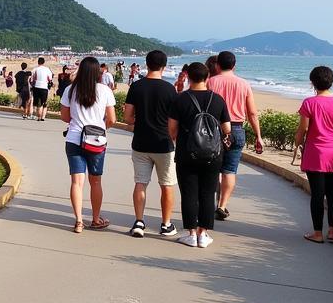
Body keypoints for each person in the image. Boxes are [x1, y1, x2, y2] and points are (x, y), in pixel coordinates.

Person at [168, 62, 232, 249]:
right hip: (213, 155)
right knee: (207, 192)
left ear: (188, 76)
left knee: (189, 193)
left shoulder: (180, 100)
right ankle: (203, 234)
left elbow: (172, 129)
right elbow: (227, 128)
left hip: (187, 153)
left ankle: (191, 233)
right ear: (207, 77)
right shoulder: (218, 100)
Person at [294, 66, 333, 243]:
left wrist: (297, 142)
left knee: (318, 195)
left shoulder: (309, 103)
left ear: (312, 82)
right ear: (332, 81)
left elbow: (303, 128)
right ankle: (332, 232)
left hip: (316, 153)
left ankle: (318, 233)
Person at [124, 50, 178, 238]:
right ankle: (166, 224)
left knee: (140, 183)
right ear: (164, 66)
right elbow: (174, 122)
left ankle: (139, 222)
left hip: (140, 142)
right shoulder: (170, 89)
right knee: (167, 185)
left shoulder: (136, 87)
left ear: (146, 64)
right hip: (164, 143)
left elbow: (127, 117)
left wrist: (139, 120)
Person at [61, 56, 116, 232]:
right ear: (97, 72)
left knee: (77, 182)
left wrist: (78, 121)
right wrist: (101, 128)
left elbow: (65, 117)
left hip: (74, 139)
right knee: (96, 182)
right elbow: (112, 119)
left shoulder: (70, 90)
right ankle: (95, 219)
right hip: (97, 141)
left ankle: (78, 221)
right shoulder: (105, 90)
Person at [207, 51, 263, 220]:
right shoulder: (244, 84)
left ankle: (209, 204)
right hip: (236, 129)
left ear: (217, 65)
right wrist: (258, 136)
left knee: (211, 169)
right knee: (229, 171)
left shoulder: (211, 82)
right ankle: (222, 205)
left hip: (213, 129)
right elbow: (252, 113)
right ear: (234, 65)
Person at [31, 56, 54, 122]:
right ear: (44, 62)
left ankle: (38, 117)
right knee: (44, 102)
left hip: (36, 87)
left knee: (38, 103)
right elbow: (50, 78)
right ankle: (43, 117)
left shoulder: (35, 69)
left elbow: (32, 79)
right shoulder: (47, 69)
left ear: (38, 62)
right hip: (44, 87)